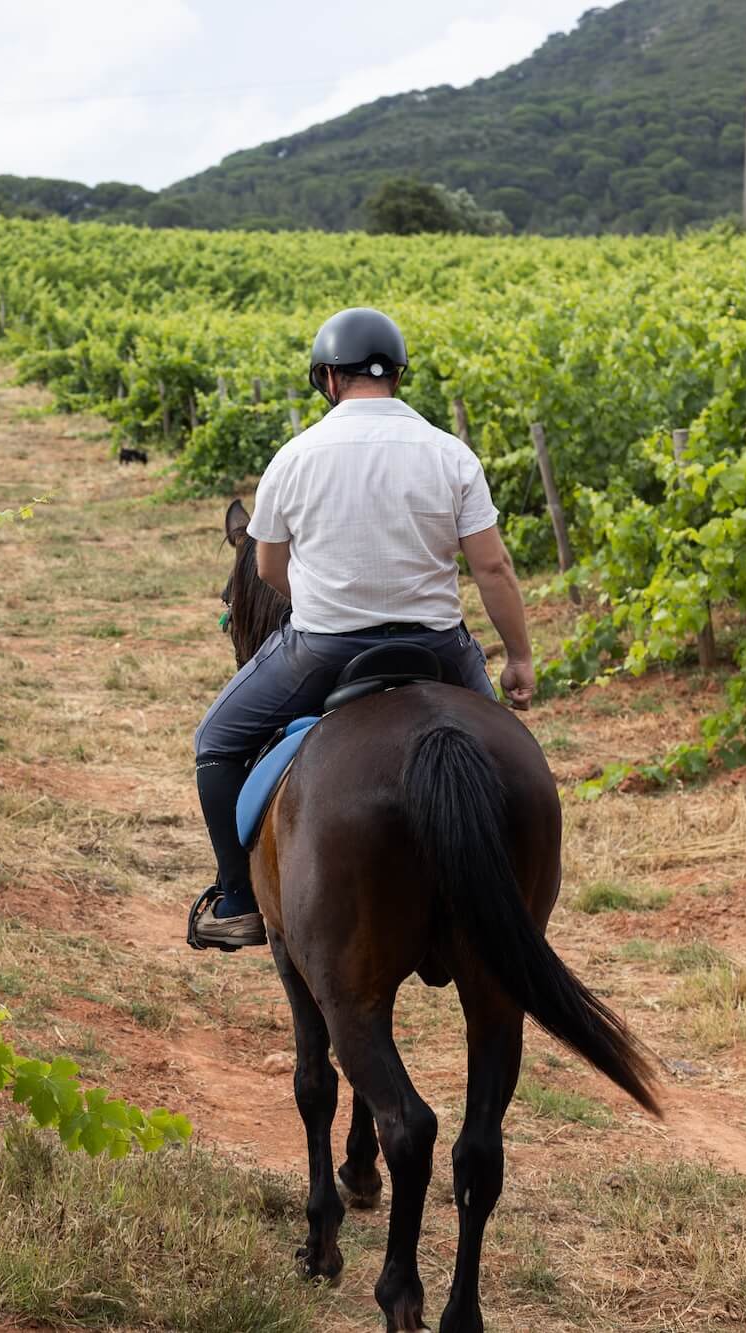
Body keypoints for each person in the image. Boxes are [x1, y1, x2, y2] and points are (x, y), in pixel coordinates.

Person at [186, 307, 536, 952]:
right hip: (439, 645)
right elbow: (493, 565)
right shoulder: (449, 453)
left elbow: (267, 564)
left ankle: (237, 900)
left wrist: (315, 603)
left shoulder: (295, 456)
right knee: (504, 759)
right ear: (399, 376)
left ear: (327, 378)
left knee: (217, 740)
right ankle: (513, 894)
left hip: (324, 646)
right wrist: (517, 657)